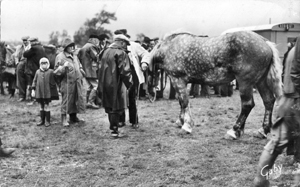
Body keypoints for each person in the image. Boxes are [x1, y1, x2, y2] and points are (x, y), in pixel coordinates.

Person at [254, 36, 300, 186]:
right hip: (295, 100)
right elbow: (295, 74)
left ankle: (260, 181)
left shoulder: (294, 49)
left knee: (275, 144)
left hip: (289, 100)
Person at [97, 34, 133, 138]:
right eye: (126, 44)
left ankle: (113, 128)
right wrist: (129, 83)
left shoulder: (105, 51)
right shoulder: (121, 53)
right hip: (116, 83)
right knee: (116, 107)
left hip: (104, 83)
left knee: (109, 107)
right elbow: (125, 71)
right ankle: (114, 130)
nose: (126, 47)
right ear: (122, 42)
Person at [114, 29, 150, 129]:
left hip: (132, 74)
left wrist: (144, 63)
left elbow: (146, 54)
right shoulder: (112, 48)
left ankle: (134, 120)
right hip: (119, 75)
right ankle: (121, 120)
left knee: (132, 98)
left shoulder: (134, 45)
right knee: (120, 97)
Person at [54, 38, 86, 127]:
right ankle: (64, 119)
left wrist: (81, 69)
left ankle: (73, 117)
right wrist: (63, 67)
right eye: (70, 46)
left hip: (77, 82)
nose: (72, 48)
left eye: (73, 46)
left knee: (76, 99)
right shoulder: (60, 57)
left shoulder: (75, 56)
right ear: (65, 47)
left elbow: (78, 65)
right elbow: (56, 72)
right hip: (67, 83)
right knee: (66, 101)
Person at [31, 57, 59, 127]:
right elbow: (34, 81)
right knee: (41, 106)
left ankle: (47, 120)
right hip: (39, 92)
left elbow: (57, 78)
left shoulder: (51, 72)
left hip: (47, 93)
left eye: (45, 63)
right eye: (42, 63)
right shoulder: (37, 72)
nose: (44, 65)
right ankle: (42, 120)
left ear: (48, 64)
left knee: (46, 105)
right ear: (40, 64)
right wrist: (33, 89)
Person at [77, 34, 101, 109]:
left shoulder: (83, 47)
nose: (97, 41)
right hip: (92, 70)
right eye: (96, 40)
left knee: (90, 86)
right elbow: (97, 57)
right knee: (96, 86)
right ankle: (90, 102)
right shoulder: (91, 46)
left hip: (85, 70)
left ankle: (88, 101)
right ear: (93, 39)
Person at [23, 37, 46, 105]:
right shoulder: (41, 48)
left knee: (34, 85)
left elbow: (25, 54)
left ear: (33, 42)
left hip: (33, 69)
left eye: (31, 42)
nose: (30, 43)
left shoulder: (34, 48)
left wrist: (28, 49)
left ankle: (34, 100)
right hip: (39, 67)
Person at [15, 36, 30, 102]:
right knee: (20, 78)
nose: (25, 42)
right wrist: (17, 63)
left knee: (29, 78)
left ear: (28, 40)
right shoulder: (19, 47)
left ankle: (31, 96)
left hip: (29, 63)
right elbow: (16, 56)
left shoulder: (31, 47)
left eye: (26, 40)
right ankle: (22, 96)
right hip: (21, 62)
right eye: (23, 40)